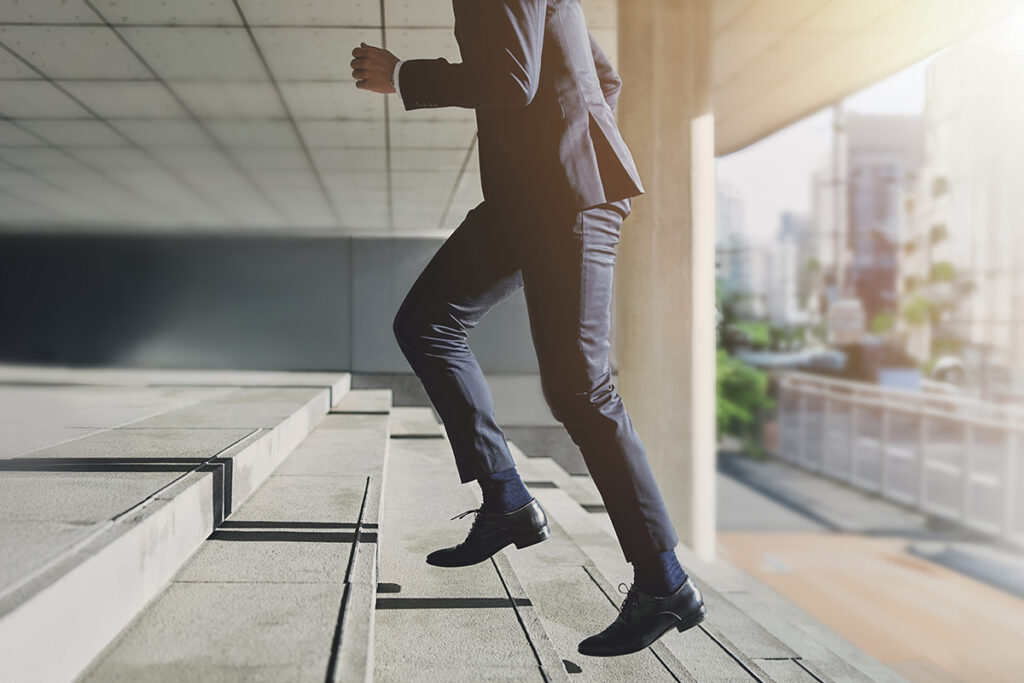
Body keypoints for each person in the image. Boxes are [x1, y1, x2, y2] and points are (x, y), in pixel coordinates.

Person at [351, 0, 705, 657]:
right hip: (528, 198)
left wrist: (404, 76)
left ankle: (665, 582)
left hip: (568, 198)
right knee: (426, 322)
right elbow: (601, 75)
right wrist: (567, 144)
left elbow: (513, 79)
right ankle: (507, 499)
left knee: (581, 391)